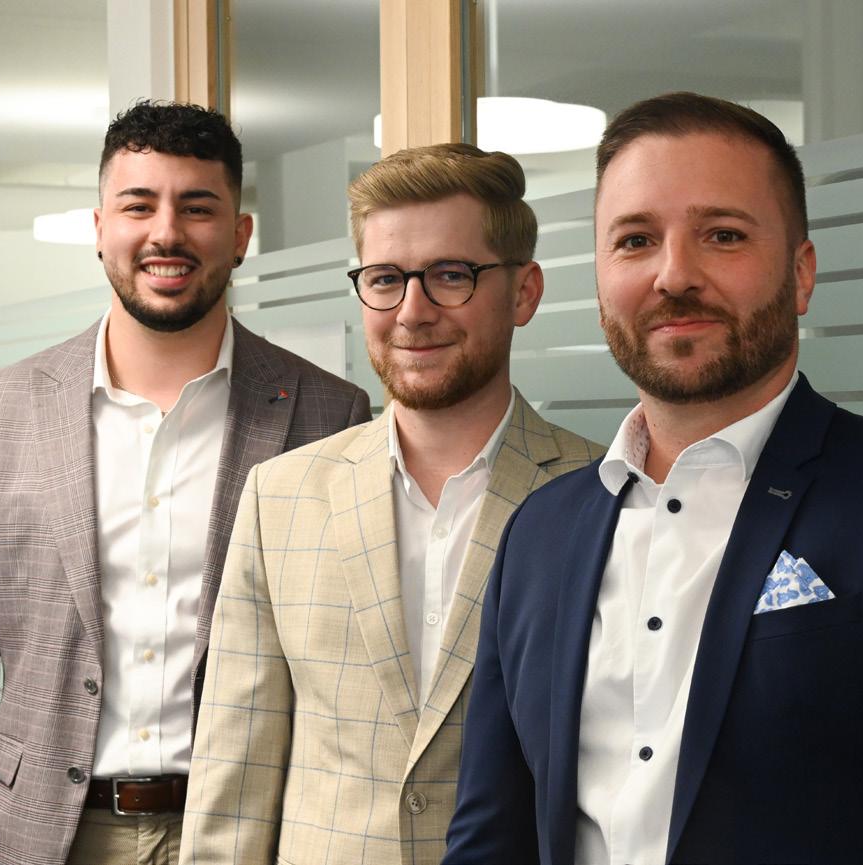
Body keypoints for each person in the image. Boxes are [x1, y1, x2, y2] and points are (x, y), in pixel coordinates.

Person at [444, 92, 863, 865]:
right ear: (600, 280)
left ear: (800, 274)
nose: (674, 274)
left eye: (723, 235)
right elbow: (490, 840)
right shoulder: (538, 534)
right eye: (635, 240)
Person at [0, 100, 371, 865]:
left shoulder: (326, 413)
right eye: (138, 205)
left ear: (241, 234)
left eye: (198, 207)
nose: (166, 233)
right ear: (99, 227)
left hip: (247, 836)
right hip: (46, 837)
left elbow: (345, 671)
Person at [179, 142, 603, 865]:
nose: (412, 312)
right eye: (384, 279)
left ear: (524, 292)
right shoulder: (280, 498)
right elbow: (234, 781)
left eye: (451, 275)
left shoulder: (602, 493)